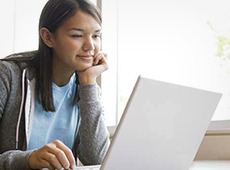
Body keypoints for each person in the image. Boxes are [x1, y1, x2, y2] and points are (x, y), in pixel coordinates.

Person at [0, 0, 110, 169]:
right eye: (77, 35)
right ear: (48, 37)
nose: (90, 47)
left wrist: (88, 83)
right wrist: (28, 160)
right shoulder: (8, 76)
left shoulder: (87, 89)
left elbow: (96, 159)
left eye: (96, 36)